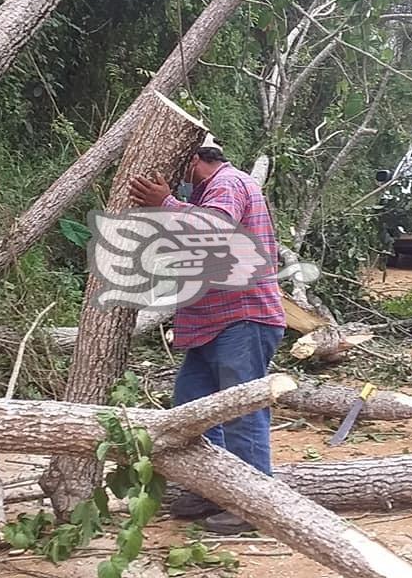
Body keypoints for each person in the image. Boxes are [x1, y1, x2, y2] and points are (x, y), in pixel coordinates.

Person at [128, 134, 286, 534]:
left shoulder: (227, 184)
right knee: (193, 409)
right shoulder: (206, 192)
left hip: (241, 318)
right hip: (211, 322)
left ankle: (253, 504)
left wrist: (165, 205)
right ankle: (214, 488)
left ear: (193, 157)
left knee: (240, 409)